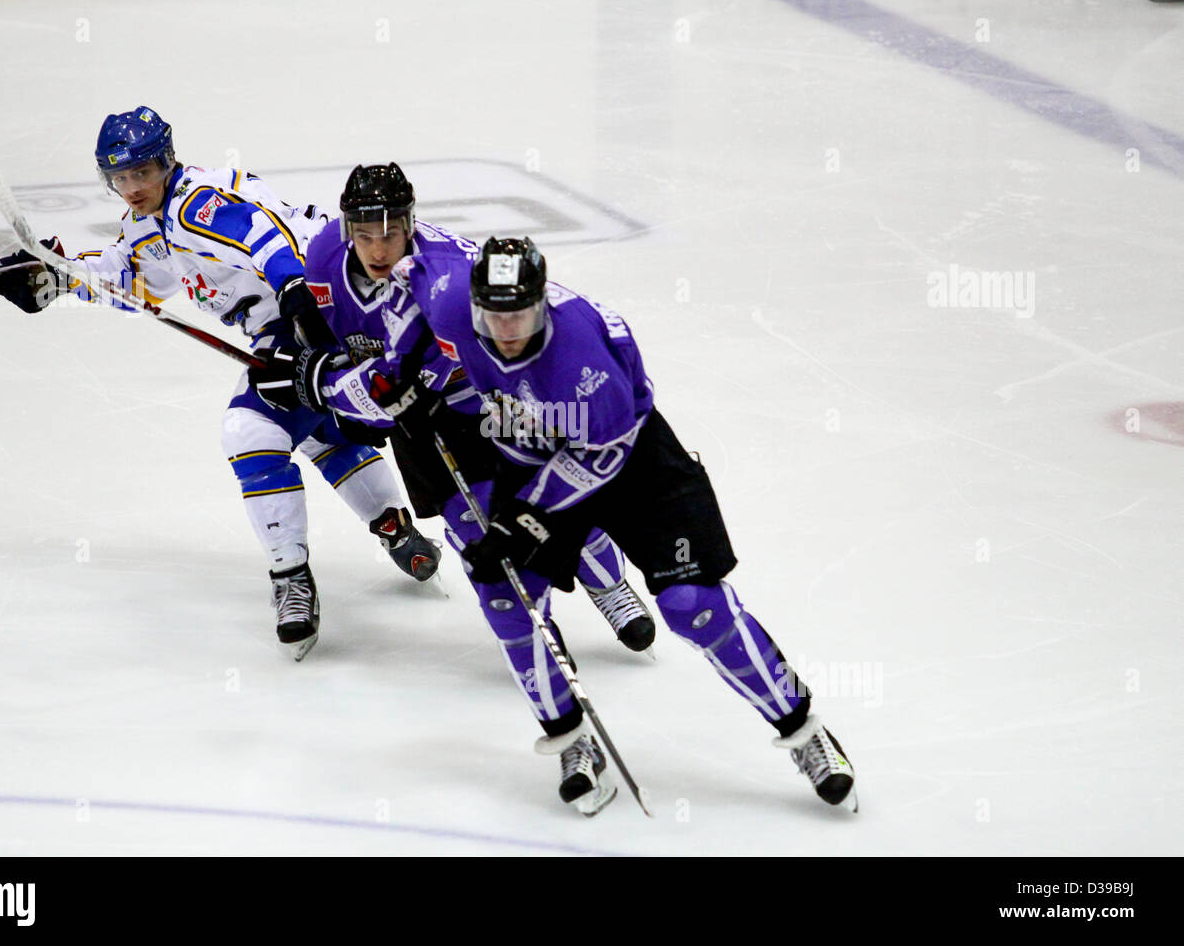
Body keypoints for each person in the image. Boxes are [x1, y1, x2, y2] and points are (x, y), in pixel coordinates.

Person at [288, 236, 860, 814]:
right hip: (531, 448)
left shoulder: (582, 358)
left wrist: (521, 522)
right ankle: (571, 739)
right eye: (494, 316)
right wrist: (394, 374)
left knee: (694, 604)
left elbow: (598, 460)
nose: (507, 332)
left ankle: (807, 733)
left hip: (631, 460)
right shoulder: (451, 295)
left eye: (521, 315)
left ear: (544, 305)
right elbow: (408, 287)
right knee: (506, 597)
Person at [0, 106, 439, 660]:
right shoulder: (152, 222)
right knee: (315, 421)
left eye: (142, 173)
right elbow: (132, 282)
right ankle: (393, 526)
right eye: (120, 178)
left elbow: (260, 234)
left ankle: (290, 576)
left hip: (320, 304)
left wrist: (295, 293)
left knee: (251, 428)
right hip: (299, 312)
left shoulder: (195, 202)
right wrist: (56, 278)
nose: (132, 188)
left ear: (167, 161)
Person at [249, 163, 657, 669]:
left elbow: (423, 374)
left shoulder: (447, 277)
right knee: (469, 525)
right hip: (409, 410)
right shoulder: (325, 254)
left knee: (545, 505)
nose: (378, 249)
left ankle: (610, 587)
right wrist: (315, 359)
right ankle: (531, 634)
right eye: (365, 234)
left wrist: (324, 385)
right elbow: (340, 342)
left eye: (391, 234)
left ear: (411, 225)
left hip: (488, 405)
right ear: (347, 227)